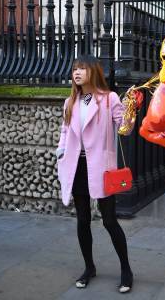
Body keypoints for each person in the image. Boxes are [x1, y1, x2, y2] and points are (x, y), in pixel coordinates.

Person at [56, 55, 133, 293]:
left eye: (82, 68)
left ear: (93, 72)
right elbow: (65, 130)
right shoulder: (71, 102)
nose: (76, 72)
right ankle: (89, 268)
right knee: (82, 220)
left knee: (109, 220)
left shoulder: (108, 99)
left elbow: (125, 128)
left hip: (100, 167)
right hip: (76, 166)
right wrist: (60, 150)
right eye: (74, 69)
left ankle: (126, 270)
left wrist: (130, 108)